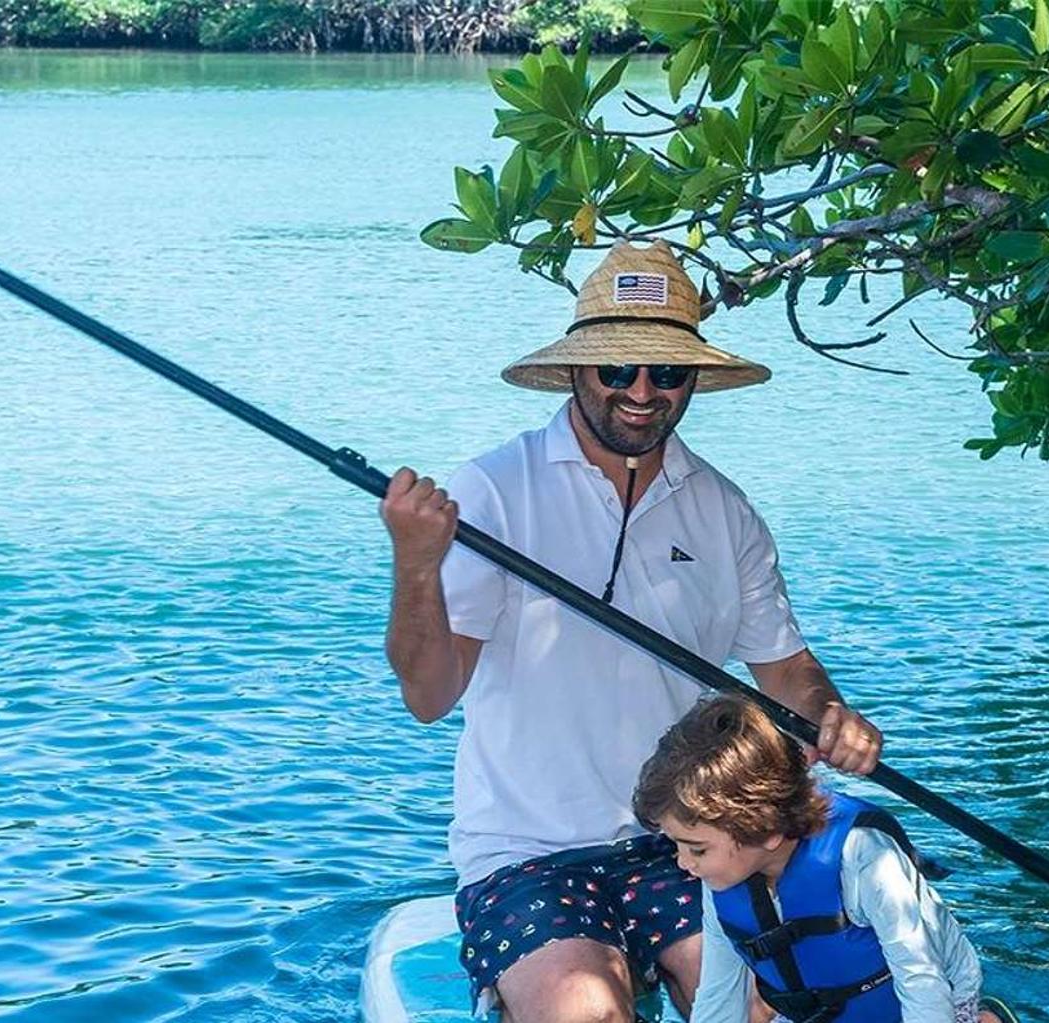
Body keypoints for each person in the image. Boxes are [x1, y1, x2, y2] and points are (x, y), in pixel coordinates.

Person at [378, 238, 885, 1023]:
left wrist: (831, 714)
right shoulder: (493, 491)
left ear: (693, 380)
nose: (642, 391)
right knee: (593, 1015)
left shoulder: (724, 509)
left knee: (762, 1012)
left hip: (690, 839)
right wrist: (416, 562)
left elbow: (786, 670)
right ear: (579, 371)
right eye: (618, 369)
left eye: (666, 371)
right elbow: (428, 695)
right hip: (526, 854)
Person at [633, 696, 1015, 1023]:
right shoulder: (721, 882)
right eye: (677, 846)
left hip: (931, 1004)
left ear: (766, 831)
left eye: (697, 849)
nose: (683, 863)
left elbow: (923, 982)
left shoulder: (864, 859)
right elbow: (718, 1002)